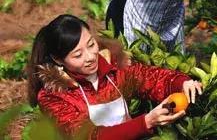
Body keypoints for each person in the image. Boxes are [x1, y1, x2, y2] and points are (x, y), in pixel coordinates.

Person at [27, 14, 202, 140]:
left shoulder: (114, 70)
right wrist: (146, 122)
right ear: (58, 60)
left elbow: (152, 78)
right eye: (78, 54)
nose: (90, 57)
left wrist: (182, 83)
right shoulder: (54, 95)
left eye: (91, 45)